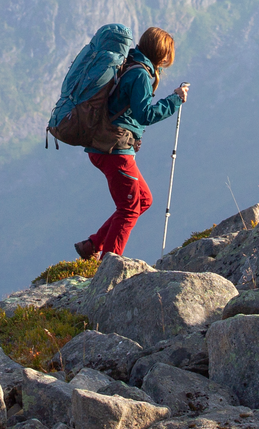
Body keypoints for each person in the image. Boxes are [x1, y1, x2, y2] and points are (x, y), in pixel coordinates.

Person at [74, 26, 189, 260]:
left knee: (143, 199)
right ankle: (108, 269)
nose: (167, 61)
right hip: (114, 151)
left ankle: (92, 245)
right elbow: (144, 114)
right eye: (166, 56)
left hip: (104, 147)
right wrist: (175, 100)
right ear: (160, 54)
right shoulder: (140, 75)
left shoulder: (130, 64)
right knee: (129, 208)